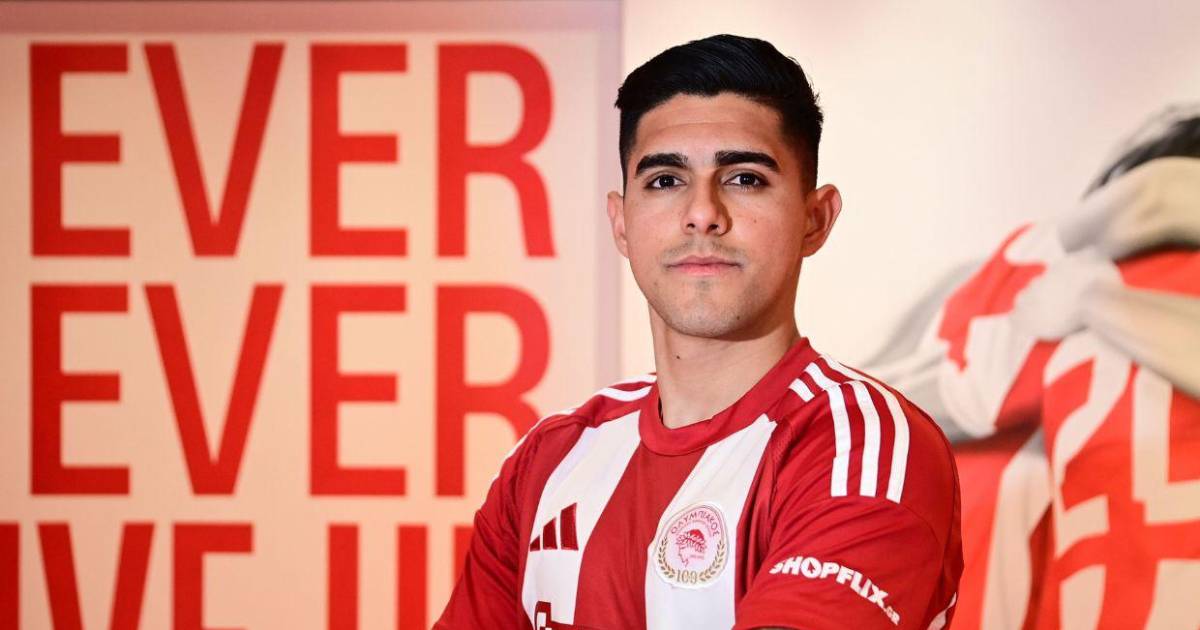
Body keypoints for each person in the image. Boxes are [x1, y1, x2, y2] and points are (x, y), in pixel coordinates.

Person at [435, 34, 962, 630]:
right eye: (665, 180)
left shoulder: (862, 446)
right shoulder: (548, 459)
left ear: (815, 220)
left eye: (744, 178)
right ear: (621, 222)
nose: (703, 213)